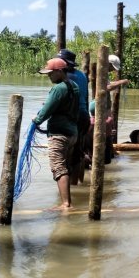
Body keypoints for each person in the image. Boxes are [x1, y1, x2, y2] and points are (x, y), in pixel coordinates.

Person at [33, 57, 80, 209]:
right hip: (72, 133)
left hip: (59, 135)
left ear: (60, 71)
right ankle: (66, 200)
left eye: (51, 73)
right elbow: (66, 108)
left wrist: (36, 120)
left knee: (59, 168)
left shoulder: (58, 88)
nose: (49, 76)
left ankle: (66, 204)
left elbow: (46, 111)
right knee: (66, 166)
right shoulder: (74, 86)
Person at [56, 49, 90, 185]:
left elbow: (64, 98)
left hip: (73, 116)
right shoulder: (82, 75)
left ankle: (71, 187)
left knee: (67, 157)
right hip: (83, 116)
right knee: (78, 152)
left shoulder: (67, 77)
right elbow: (85, 97)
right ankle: (78, 182)